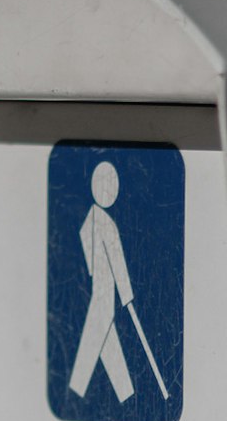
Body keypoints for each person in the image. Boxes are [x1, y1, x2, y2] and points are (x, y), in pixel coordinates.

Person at [67, 157, 169, 406]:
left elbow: (96, 258)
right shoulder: (104, 223)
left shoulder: (90, 220)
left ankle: (124, 394)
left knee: (104, 337)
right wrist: (127, 295)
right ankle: (79, 388)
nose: (112, 193)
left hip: (101, 291)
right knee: (97, 335)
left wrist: (123, 293)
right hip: (104, 292)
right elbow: (118, 264)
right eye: (109, 187)